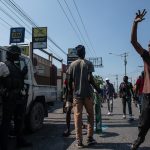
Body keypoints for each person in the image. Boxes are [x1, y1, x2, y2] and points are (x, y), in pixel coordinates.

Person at [67, 45, 101, 148]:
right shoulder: (88, 63)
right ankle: (90, 138)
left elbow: (69, 81)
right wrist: (98, 88)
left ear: (77, 53)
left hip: (77, 96)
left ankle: (79, 141)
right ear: (84, 52)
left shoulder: (72, 65)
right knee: (90, 115)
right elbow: (90, 78)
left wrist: (70, 92)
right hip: (88, 95)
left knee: (78, 118)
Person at [0, 45, 32, 150]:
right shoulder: (2, 65)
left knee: (19, 121)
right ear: (12, 55)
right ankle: (3, 146)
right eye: (17, 55)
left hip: (18, 99)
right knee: (6, 123)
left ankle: (20, 141)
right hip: (9, 99)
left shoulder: (15, 66)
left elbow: (16, 79)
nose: (18, 56)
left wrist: (23, 73)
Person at [131, 9, 150, 150]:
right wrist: (135, 23)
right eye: (149, 44)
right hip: (147, 96)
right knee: (143, 125)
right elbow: (133, 41)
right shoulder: (147, 56)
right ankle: (138, 141)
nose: (148, 46)